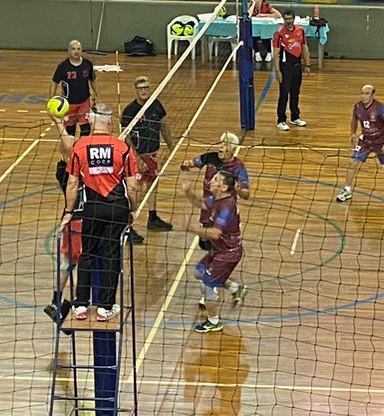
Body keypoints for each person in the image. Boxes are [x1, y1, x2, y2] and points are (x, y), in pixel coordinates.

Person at [58, 105, 142, 322]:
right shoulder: (122, 147)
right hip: (117, 208)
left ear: (90, 120)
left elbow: (72, 183)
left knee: (88, 253)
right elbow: (132, 186)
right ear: (110, 122)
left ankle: (81, 305)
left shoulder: (80, 147)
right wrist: (133, 208)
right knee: (112, 254)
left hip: (93, 208)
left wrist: (68, 211)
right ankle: (105, 307)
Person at [187, 168, 245, 332]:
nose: (211, 179)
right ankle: (235, 288)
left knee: (207, 285)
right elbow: (202, 203)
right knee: (199, 272)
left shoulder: (227, 206)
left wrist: (190, 229)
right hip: (220, 251)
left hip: (228, 253)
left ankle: (213, 321)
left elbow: (215, 233)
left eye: (216, 179)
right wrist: (188, 192)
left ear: (224, 187)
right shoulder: (218, 199)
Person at [120, 74, 174, 234]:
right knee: (134, 191)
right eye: (141, 88)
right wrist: (136, 158)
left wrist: (172, 146)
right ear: (136, 90)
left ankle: (152, 217)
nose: (144, 91)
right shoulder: (130, 110)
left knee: (152, 186)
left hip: (152, 155)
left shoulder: (156, 105)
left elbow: (164, 125)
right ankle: (128, 227)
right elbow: (125, 136)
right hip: (137, 157)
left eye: (146, 88)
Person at [337, 84, 384, 202]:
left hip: (380, 141)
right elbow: (354, 119)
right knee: (352, 162)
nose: (363, 96)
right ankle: (347, 190)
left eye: (366, 94)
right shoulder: (357, 107)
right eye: (362, 93)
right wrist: (352, 132)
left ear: (372, 95)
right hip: (365, 141)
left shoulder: (380, 108)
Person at [51, 39, 97, 143]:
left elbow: (93, 80)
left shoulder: (87, 64)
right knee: (70, 131)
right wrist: (51, 99)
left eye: (78, 49)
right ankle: (71, 153)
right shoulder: (63, 67)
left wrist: (97, 95)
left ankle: (80, 149)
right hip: (68, 104)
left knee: (86, 130)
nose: (76, 51)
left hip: (84, 102)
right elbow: (54, 82)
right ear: (68, 50)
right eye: (73, 49)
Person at [270, 11, 308, 132]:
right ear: (283, 19)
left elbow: (304, 47)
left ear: (293, 19)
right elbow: (275, 53)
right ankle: (281, 120)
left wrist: (307, 64)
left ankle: (295, 117)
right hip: (285, 67)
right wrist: (277, 71)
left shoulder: (300, 31)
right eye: (286, 19)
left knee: (295, 93)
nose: (288, 21)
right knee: (284, 94)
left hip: (297, 66)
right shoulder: (279, 34)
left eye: (290, 18)